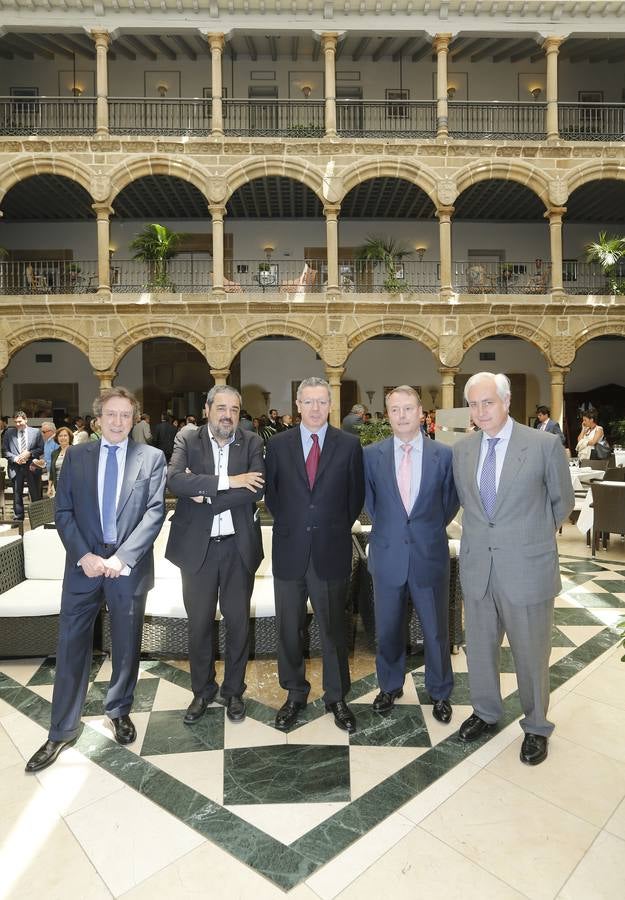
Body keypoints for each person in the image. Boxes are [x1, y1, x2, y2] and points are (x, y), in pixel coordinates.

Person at [25, 387, 167, 773]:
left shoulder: (151, 458)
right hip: (82, 567)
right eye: (111, 414)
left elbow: (154, 513)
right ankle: (61, 730)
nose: (119, 421)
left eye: (126, 415)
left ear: (134, 419)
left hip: (127, 569)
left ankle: (119, 710)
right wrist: (85, 557)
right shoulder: (77, 456)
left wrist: (122, 558)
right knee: (71, 645)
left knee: (126, 645)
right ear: (98, 419)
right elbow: (64, 509)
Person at [452, 372, 574, 766]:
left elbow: (563, 503)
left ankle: (537, 726)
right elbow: (469, 506)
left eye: (487, 402)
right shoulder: (463, 449)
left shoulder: (542, 445)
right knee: (481, 652)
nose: (480, 411)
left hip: (526, 568)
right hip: (478, 569)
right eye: (473, 403)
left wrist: (528, 536)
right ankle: (486, 712)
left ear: (506, 402)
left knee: (531, 653)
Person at [264, 376, 365, 733]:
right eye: (309, 401)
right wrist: (297, 524)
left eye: (322, 401)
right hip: (290, 551)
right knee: (289, 629)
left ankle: (336, 696)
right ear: (297, 404)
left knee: (334, 629)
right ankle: (294, 694)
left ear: (330, 405)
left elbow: (355, 498)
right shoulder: (277, 446)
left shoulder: (349, 445)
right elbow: (274, 497)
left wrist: (330, 526)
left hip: (330, 551)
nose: (316, 408)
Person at [165, 386, 265, 725]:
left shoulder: (251, 441)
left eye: (234, 409)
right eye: (221, 407)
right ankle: (202, 691)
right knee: (199, 626)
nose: (228, 415)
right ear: (207, 409)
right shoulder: (187, 439)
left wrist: (205, 491)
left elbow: (258, 488)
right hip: (198, 550)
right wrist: (231, 481)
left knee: (238, 623)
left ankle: (233, 691)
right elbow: (175, 481)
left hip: (238, 548)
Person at [364, 386, 459, 720]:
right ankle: (389, 687)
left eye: (408, 408)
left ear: (422, 413)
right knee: (388, 628)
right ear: (387, 415)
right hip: (388, 555)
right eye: (394, 409)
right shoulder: (371, 455)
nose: (402, 415)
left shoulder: (444, 455)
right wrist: (394, 530)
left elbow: (449, 503)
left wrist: (423, 529)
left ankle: (440, 692)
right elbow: (371, 503)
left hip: (428, 554)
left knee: (435, 629)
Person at [2, 410, 44, 521]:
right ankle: (18, 518)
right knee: (17, 494)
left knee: (35, 493)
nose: (17, 424)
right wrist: (16, 459)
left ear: (26, 420)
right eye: (15, 422)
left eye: (20, 421)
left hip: (32, 466)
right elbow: (4, 451)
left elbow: (40, 449)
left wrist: (29, 453)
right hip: (16, 467)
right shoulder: (8, 433)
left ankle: (38, 517)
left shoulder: (36, 432)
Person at [48, 426, 73, 496]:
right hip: (58, 487)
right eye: (60, 436)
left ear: (69, 437)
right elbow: (52, 473)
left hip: (72, 487)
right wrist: (49, 487)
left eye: (65, 435)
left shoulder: (75, 451)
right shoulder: (54, 453)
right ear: (57, 438)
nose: (63, 438)